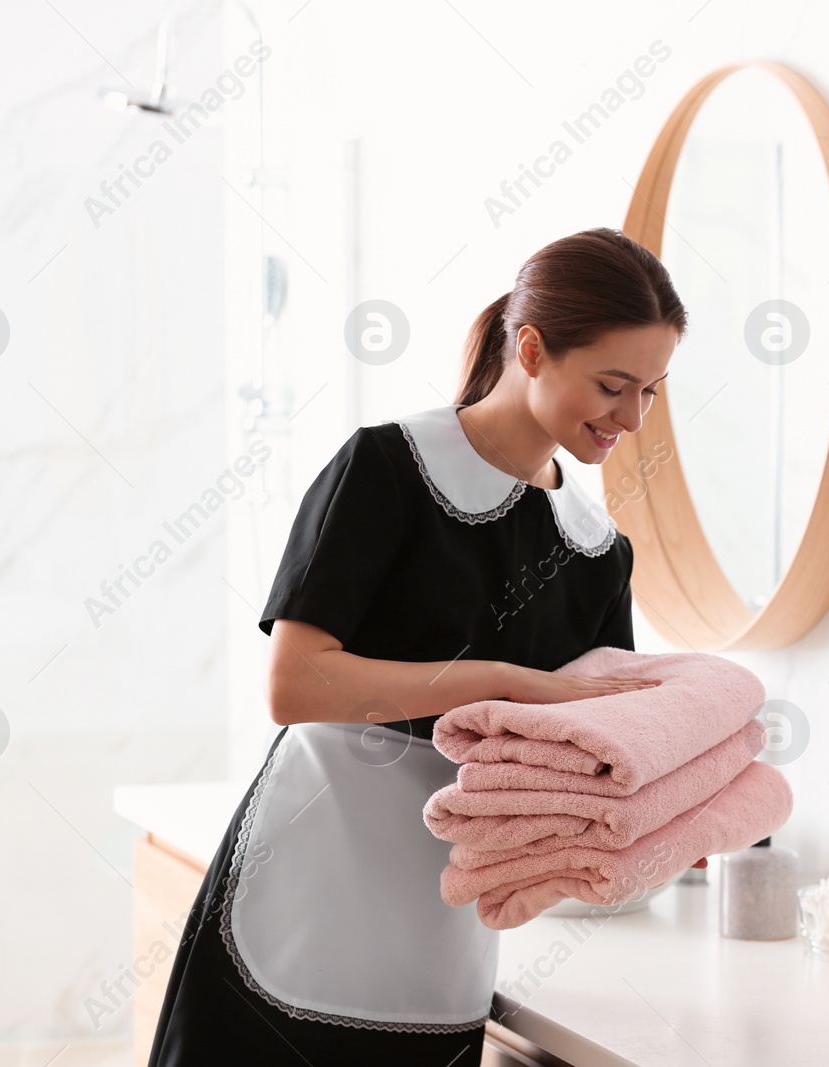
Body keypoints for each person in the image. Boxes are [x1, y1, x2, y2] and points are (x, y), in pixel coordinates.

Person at [147, 227, 686, 1064]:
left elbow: (588, 753)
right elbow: (295, 685)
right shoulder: (387, 469)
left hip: (439, 933)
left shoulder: (597, 550)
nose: (632, 418)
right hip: (302, 895)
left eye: (652, 390)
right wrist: (507, 681)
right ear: (533, 350)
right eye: (613, 385)